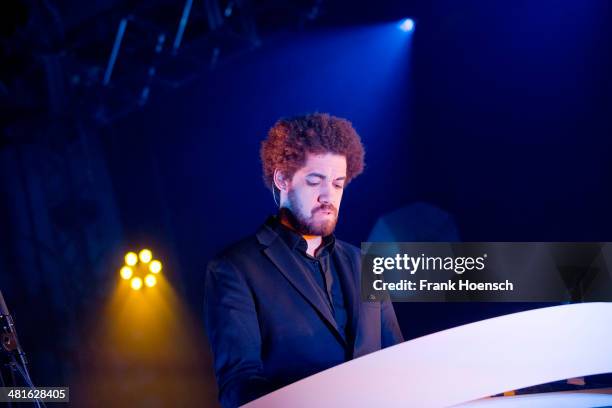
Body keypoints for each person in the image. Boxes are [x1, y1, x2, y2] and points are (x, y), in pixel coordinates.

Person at [204, 113, 403, 407]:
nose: (329, 196)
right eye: (315, 181)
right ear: (282, 179)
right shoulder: (234, 268)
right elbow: (239, 388)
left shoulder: (365, 263)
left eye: (338, 184)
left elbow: (399, 362)